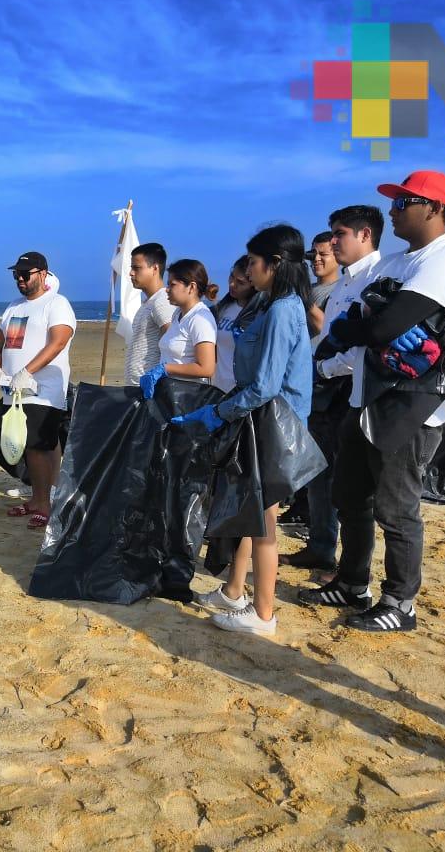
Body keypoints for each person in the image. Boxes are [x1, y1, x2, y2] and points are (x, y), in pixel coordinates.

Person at [299, 171, 445, 632]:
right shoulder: (394, 262)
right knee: (351, 495)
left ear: (433, 208)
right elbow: (352, 322)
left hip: (411, 405)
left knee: (396, 508)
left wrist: (366, 326)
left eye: (403, 202)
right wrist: (365, 326)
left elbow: (376, 328)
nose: (393, 210)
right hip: (365, 397)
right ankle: (353, 583)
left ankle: (401, 603)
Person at [174, 224, 313, 635]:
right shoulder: (272, 303)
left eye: (253, 262)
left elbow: (267, 384)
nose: (247, 270)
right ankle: (236, 590)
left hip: (274, 420)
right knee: (256, 514)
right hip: (261, 415)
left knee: (266, 526)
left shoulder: (285, 309)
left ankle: (264, 614)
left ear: (274, 264)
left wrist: (221, 412)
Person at [280, 205, 383, 572]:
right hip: (321, 387)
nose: (322, 255)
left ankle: (354, 573)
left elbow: (352, 340)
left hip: (347, 389)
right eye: (318, 251)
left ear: (364, 235)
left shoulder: (370, 279)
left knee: (352, 487)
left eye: (338, 237)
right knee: (320, 475)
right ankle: (322, 546)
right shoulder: (343, 284)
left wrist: (323, 366)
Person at [0, 251, 77, 529]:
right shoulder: (13, 307)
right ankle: (41, 497)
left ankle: (43, 502)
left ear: (42, 274)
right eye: (16, 274)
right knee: (35, 446)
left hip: (44, 389)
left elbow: (58, 341)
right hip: (13, 390)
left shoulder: (56, 304)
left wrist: (27, 371)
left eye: (25, 274)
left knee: (38, 446)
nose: (20, 279)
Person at [139, 259, 218, 399]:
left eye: (172, 284)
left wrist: (166, 368)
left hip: (187, 397)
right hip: (170, 393)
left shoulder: (200, 318)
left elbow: (207, 368)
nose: (167, 289)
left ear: (191, 287)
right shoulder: (178, 314)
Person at [122, 243, 174, 386]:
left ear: (155, 268)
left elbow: (172, 346)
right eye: (131, 267)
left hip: (150, 388)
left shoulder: (162, 301)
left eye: (137, 268)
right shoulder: (149, 302)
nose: (131, 273)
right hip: (138, 388)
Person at [211, 255, 260, 394]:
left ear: (253, 284)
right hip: (217, 389)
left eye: (240, 282)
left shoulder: (259, 315)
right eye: (231, 277)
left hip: (241, 391)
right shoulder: (223, 308)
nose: (232, 284)